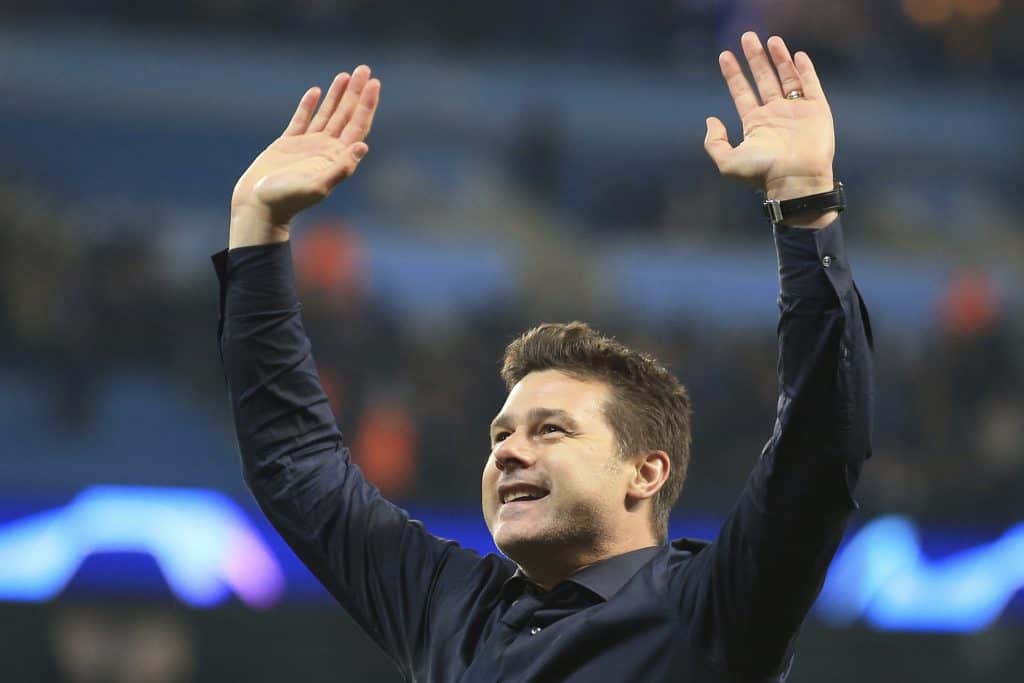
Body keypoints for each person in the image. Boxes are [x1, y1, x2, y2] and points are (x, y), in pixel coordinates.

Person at [214, 31, 873, 682]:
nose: (508, 452)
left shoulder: (711, 610)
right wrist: (257, 228)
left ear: (644, 472)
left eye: (550, 429)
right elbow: (295, 463)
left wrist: (806, 202)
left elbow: (817, 449)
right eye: (501, 434)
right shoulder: (452, 611)